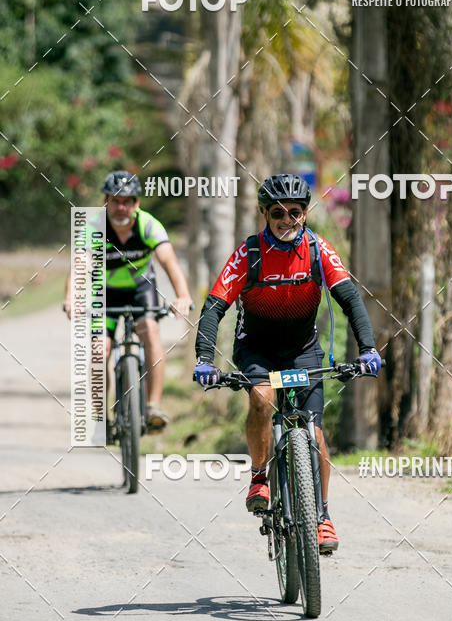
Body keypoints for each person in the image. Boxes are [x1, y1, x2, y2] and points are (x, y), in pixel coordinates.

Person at [193, 173, 381, 553]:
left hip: (302, 349)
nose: (286, 219)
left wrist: (368, 349)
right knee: (262, 397)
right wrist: (204, 358)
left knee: (314, 431)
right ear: (265, 213)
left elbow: (350, 299)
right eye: (277, 212)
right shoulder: (249, 254)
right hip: (256, 347)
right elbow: (214, 307)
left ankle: (322, 516)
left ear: (306, 213)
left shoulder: (317, 250)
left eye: (294, 212)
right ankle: (260, 476)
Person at [63, 170, 193, 430]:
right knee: (101, 350)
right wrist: (72, 298)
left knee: (152, 334)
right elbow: (79, 267)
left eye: (127, 201)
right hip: (105, 292)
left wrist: (182, 295)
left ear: (137, 204)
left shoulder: (148, 225)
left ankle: (153, 406)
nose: (121, 207)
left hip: (140, 289)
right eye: (115, 200)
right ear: (106, 202)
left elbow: (169, 262)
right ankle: (100, 416)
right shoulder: (95, 227)